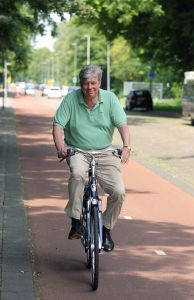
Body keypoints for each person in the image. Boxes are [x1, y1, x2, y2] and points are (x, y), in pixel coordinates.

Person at [52, 64, 131, 252]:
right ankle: (76, 221)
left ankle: (105, 230)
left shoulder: (110, 99)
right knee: (78, 175)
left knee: (118, 191)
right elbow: (58, 125)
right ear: (81, 84)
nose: (90, 87)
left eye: (93, 83)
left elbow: (123, 125)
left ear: (99, 82)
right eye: (86, 83)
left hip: (105, 151)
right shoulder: (71, 99)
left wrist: (126, 146)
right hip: (78, 150)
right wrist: (60, 145)